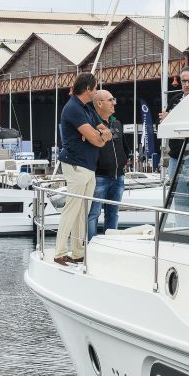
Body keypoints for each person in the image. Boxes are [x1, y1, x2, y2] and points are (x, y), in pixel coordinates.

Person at [54, 72, 111, 266]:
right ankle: (59, 251)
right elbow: (98, 138)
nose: (96, 92)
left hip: (88, 165)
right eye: (95, 88)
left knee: (82, 211)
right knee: (72, 208)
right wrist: (98, 136)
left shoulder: (86, 108)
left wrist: (99, 135)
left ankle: (78, 252)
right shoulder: (73, 108)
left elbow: (104, 131)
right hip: (76, 164)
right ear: (87, 89)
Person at [88, 90, 129, 238]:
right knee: (93, 214)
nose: (114, 103)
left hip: (118, 176)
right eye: (110, 100)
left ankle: (110, 245)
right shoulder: (90, 124)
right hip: (99, 177)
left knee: (113, 214)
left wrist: (125, 159)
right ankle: (90, 246)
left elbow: (124, 146)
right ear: (99, 103)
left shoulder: (116, 123)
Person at [159, 65, 189, 179]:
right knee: (178, 196)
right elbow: (160, 123)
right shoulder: (175, 99)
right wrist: (164, 119)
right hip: (176, 157)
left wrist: (172, 118)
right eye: (184, 81)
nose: (187, 84)